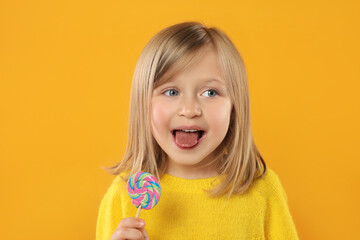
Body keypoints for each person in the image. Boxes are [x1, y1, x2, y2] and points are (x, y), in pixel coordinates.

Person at [96, 21, 299, 240]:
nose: (189, 110)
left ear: (235, 107)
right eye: (171, 92)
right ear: (142, 104)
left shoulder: (261, 191)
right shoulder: (124, 195)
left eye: (210, 93)